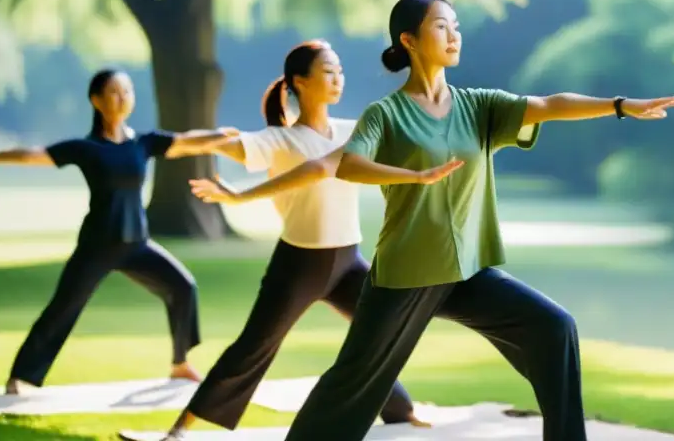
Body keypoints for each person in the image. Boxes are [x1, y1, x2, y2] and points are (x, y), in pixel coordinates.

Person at [201, 0, 674, 441]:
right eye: (440, 26)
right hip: (406, 275)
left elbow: (549, 105)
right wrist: (412, 177)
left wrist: (620, 106)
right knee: (352, 382)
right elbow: (348, 164)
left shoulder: (479, 106)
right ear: (409, 40)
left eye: (455, 26)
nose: (454, 34)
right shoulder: (385, 114)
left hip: (466, 271)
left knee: (553, 327)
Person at [157, 40, 462, 441]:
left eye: (340, 71)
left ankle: (400, 410)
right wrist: (173, 144)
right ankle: (182, 428)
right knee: (255, 347)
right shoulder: (279, 139)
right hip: (299, 265)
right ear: (299, 82)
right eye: (328, 72)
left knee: (380, 332)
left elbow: (404, 137)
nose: (338, 78)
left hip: (348, 259)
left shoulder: (352, 129)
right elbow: (226, 142)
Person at [0, 69, 239, 395]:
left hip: (137, 244)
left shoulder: (143, 143)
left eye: (126, 91)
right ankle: (21, 377)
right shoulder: (86, 148)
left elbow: (184, 143)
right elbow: (32, 154)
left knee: (183, 286)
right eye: (113, 92)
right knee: (62, 309)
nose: (122, 97)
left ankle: (180, 364)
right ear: (96, 100)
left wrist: (219, 136)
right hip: (96, 246)